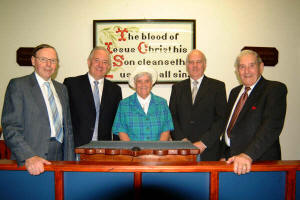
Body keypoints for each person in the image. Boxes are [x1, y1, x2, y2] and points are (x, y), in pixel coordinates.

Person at [1, 44, 75, 175]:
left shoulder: (62, 89)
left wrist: (70, 161)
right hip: (32, 159)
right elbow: (10, 127)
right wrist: (28, 156)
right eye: (43, 59)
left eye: (53, 60)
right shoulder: (18, 85)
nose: (48, 64)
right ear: (33, 61)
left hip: (60, 158)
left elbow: (67, 128)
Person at [221, 50, 287, 175]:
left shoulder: (274, 90)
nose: (246, 71)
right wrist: (223, 155)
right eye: (242, 67)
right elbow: (228, 128)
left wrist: (248, 155)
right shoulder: (234, 92)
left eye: (251, 66)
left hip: (258, 163)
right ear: (237, 70)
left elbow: (271, 127)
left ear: (261, 67)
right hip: (231, 162)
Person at [169, 49, 227, 161]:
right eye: (191, 62)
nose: (194, 65)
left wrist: (204, 143)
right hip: (182, 150)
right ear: (187, 65)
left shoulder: (217, 87)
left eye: (198, 62)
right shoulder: (177, 88)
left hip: (208, 150)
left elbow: (221, 119)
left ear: (205, 64)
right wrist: (182, 140)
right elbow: (172, 116)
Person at [63, 46, 122, 147]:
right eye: (97, 60)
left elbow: (117, 123)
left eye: (105, 62)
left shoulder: (115, 90)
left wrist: (117, 150)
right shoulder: (71, 84)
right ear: (89, 62)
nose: (100, 65)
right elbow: (63, 118)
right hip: (75, 147)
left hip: (104, 149)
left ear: (108, 66)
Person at [112, 66, 174, 141]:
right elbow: (121, 130)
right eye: (139, 81)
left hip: (157, 151)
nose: (143, 84)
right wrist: (133, 150)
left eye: (147, 81)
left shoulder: (162, 103)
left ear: (151, 83)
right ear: (135, 84)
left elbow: (166, 129)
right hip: (132, 151)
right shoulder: (124, 104)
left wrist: (158, 149)